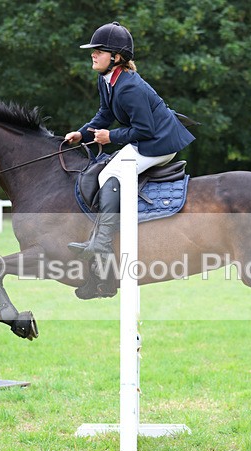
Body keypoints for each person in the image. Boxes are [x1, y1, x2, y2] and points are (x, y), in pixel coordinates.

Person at [64, 21, 195, 267]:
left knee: (111, 173)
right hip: (149, 138)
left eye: (99, 51)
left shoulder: (129, 87)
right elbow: (104, 114)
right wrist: (82, 134)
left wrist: (111, 137)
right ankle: (101, 237)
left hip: (160, 143)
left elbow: (145, 130)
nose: (93, 54)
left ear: (116, 57)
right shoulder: (106, 80)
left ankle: (102, 242)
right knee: (107, 170)